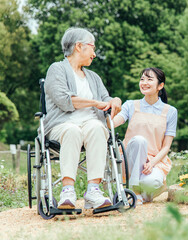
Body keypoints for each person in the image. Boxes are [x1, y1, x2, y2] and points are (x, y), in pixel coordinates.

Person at [44, 27, 122, 210]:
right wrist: (95, 103)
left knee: (97, 127)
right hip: (61, 125)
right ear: (79, 46)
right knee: (72, 131)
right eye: (92, 48)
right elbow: (64, 101)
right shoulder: (56, 69)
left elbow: (106, 99)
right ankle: (67, 191)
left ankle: (93, 191)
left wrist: (115, 100)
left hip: (90, 124)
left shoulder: (93, 77)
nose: (94, 54)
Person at [112, 67, 178, 204]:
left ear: (160, 85)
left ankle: (143, 193)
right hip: (129, 158)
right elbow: (114, 122)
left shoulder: (170, 112)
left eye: (149, 79)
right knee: (139, 141)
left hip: (153, 161)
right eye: (142, 79)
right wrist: (108, 116)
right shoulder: (130, 105)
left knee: (152, 182)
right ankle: (135, 190)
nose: (144, 82)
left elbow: (166, 147)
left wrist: (152, 163)